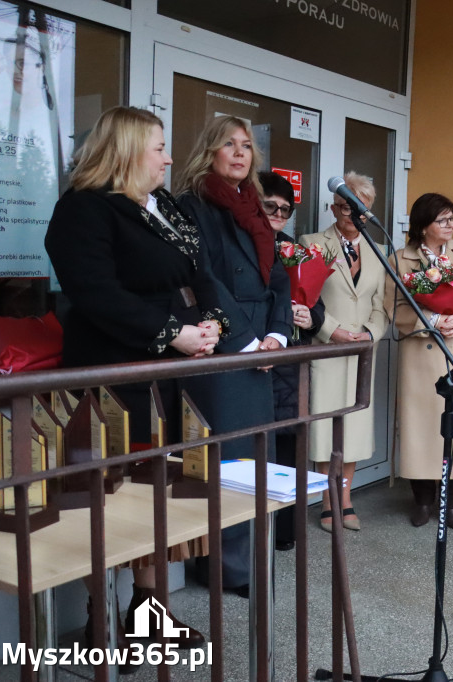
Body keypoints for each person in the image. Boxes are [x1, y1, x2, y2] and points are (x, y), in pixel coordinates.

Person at [44, 106, 218, 657]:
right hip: (111, 379)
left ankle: (147, 617)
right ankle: (102, 617)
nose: (169, 158)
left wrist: (214, 323)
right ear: (125, 151)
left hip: (166, 375)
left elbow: (199, 270)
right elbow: (96, 293)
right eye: (159, 147)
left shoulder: (161, 206)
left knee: (156, 493)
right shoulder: (83, 209)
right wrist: (173, 332)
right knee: (105, 496)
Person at [174, 115, 293, 595]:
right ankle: (226, 569)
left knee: (254, 460)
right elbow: (205, 278)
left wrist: (278, 336)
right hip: (224, 346)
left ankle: (248, 561)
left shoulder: (253, 206)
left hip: (260, 345)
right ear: (211, 151)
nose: (240, 153)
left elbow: (278, 277)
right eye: (229, 144)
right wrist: (244, 341)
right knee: (226, 460)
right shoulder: (192, 205)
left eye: (247, 145)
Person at [386, 192, 453, 531]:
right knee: (422, 430)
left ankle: (450, 505)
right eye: (443, 220)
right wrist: (432, 320)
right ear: (423, 226)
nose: (450, 225)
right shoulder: (400, 259)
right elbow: (395, 307)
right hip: (421, 354)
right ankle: (421, 502)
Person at [299, 171, 388, 533]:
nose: (350, 213)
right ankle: (326, 500)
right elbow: (305, 296)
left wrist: (370, 333)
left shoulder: (378, 251)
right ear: (334, 208)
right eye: (343, 205)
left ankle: (346, 498)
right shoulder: (312, 242)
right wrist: (329, 330)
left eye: (358, 206)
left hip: (362, 350)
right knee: (325, 428)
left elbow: (381, 305)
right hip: (326, 348)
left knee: (353, 427)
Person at [259, 170, 325, 550]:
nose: (278, 214)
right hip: (254, 359)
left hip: (288, 367)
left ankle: (283, 532)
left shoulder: (292, 249)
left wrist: (309, 316)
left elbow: (318, 306)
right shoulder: (241, 244)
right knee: (250, 455)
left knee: (286, 452)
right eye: (271, 206)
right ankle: (246, 546)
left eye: (285, 209)